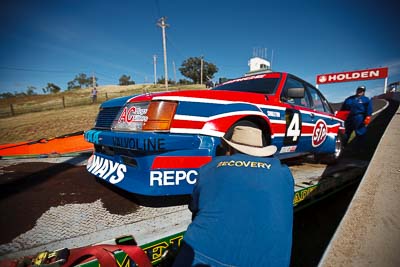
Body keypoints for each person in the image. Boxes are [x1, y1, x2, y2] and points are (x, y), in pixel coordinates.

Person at [173, 126, 295, 267]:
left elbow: (194, 207)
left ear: (230, 149)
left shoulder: (209, 167)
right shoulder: (283, 173)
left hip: (201, 255)